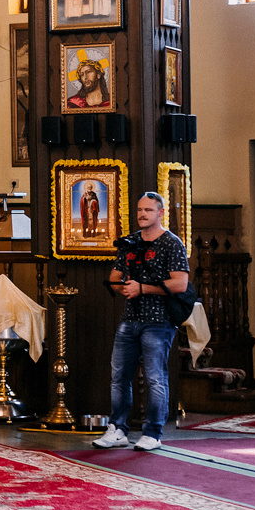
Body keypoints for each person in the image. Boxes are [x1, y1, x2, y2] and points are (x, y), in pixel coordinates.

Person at [93, 191, 190, 453]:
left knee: (155, 378)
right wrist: (122, 287)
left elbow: (180, 283)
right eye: (139, 210)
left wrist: (142, 288)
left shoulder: (171, 243)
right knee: (119, 377)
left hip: (158, 320)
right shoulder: (130, 242)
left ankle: (153, 432)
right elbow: (115, 276)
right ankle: (118, 429)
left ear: (160, 213)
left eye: (148, 210)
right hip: (130, 318)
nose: (142, 214)